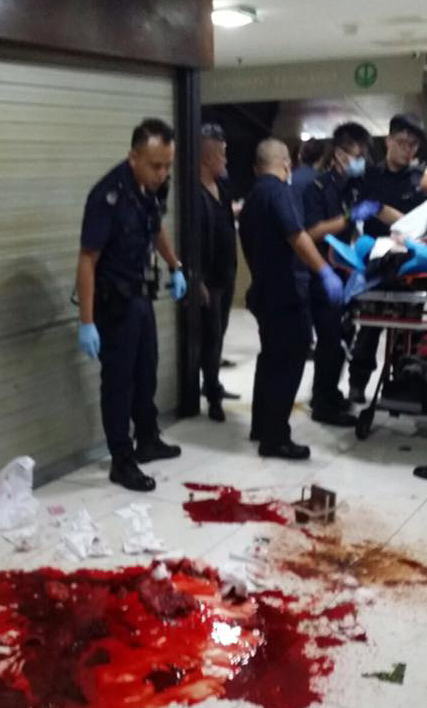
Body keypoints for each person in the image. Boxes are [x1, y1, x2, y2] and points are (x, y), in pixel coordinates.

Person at [76, 118, 188, 492]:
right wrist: (87, 321)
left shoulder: (150, 189)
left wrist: (175, 265)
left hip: (141, 297)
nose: (163, 173)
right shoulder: (107, 196)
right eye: (156, 165)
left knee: (146, 371)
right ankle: (121, 460)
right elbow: (87, 259)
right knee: (119, 383)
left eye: (168, 165)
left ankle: (148, 439)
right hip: (114, 304)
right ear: (133, 157)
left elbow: (155, 227)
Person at [240, 138, 346, 458]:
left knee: (270, 359)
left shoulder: (252, 198)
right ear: (286, 163)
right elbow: (297, 237)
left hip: (262, 291)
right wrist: (324, 271)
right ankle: (276, 438)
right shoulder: (280, 193)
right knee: (289, 363)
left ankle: (261, 426)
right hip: (285, 293)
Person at [301, 122, 404, 425]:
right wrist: (348, 218)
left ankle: (330, 393)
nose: (361, 161)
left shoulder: (355, 187)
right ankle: (323, 406)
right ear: (339, 154)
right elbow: (312, 232)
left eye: (364, 156)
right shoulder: (318, 188)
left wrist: (412, 227)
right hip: (323, 272)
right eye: (357, 156)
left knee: (343, 336)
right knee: (330, 340)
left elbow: (379, 210)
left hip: (348, 272)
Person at [349, 113, 427, 406]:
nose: (407, 149)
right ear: (388, 141)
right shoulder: (369, 176)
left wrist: (387, 214)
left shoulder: (421, 180)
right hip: (376, 261)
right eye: (402, 142)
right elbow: (360, 211)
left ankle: (402, 383)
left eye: (413, 145)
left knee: (409, 331)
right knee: (369, 328)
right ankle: (357, 382)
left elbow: (425, 221)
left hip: (409, 266)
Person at [195, 123, 240, 421]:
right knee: (209, 338)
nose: (225, 160)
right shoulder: (194, 195)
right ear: (208, 158)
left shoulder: (222, 188)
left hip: (226, 274)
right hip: (208, 279)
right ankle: (212, 394)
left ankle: (213, 383)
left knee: (220, 333)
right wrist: (197, 279)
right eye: (222, 155)